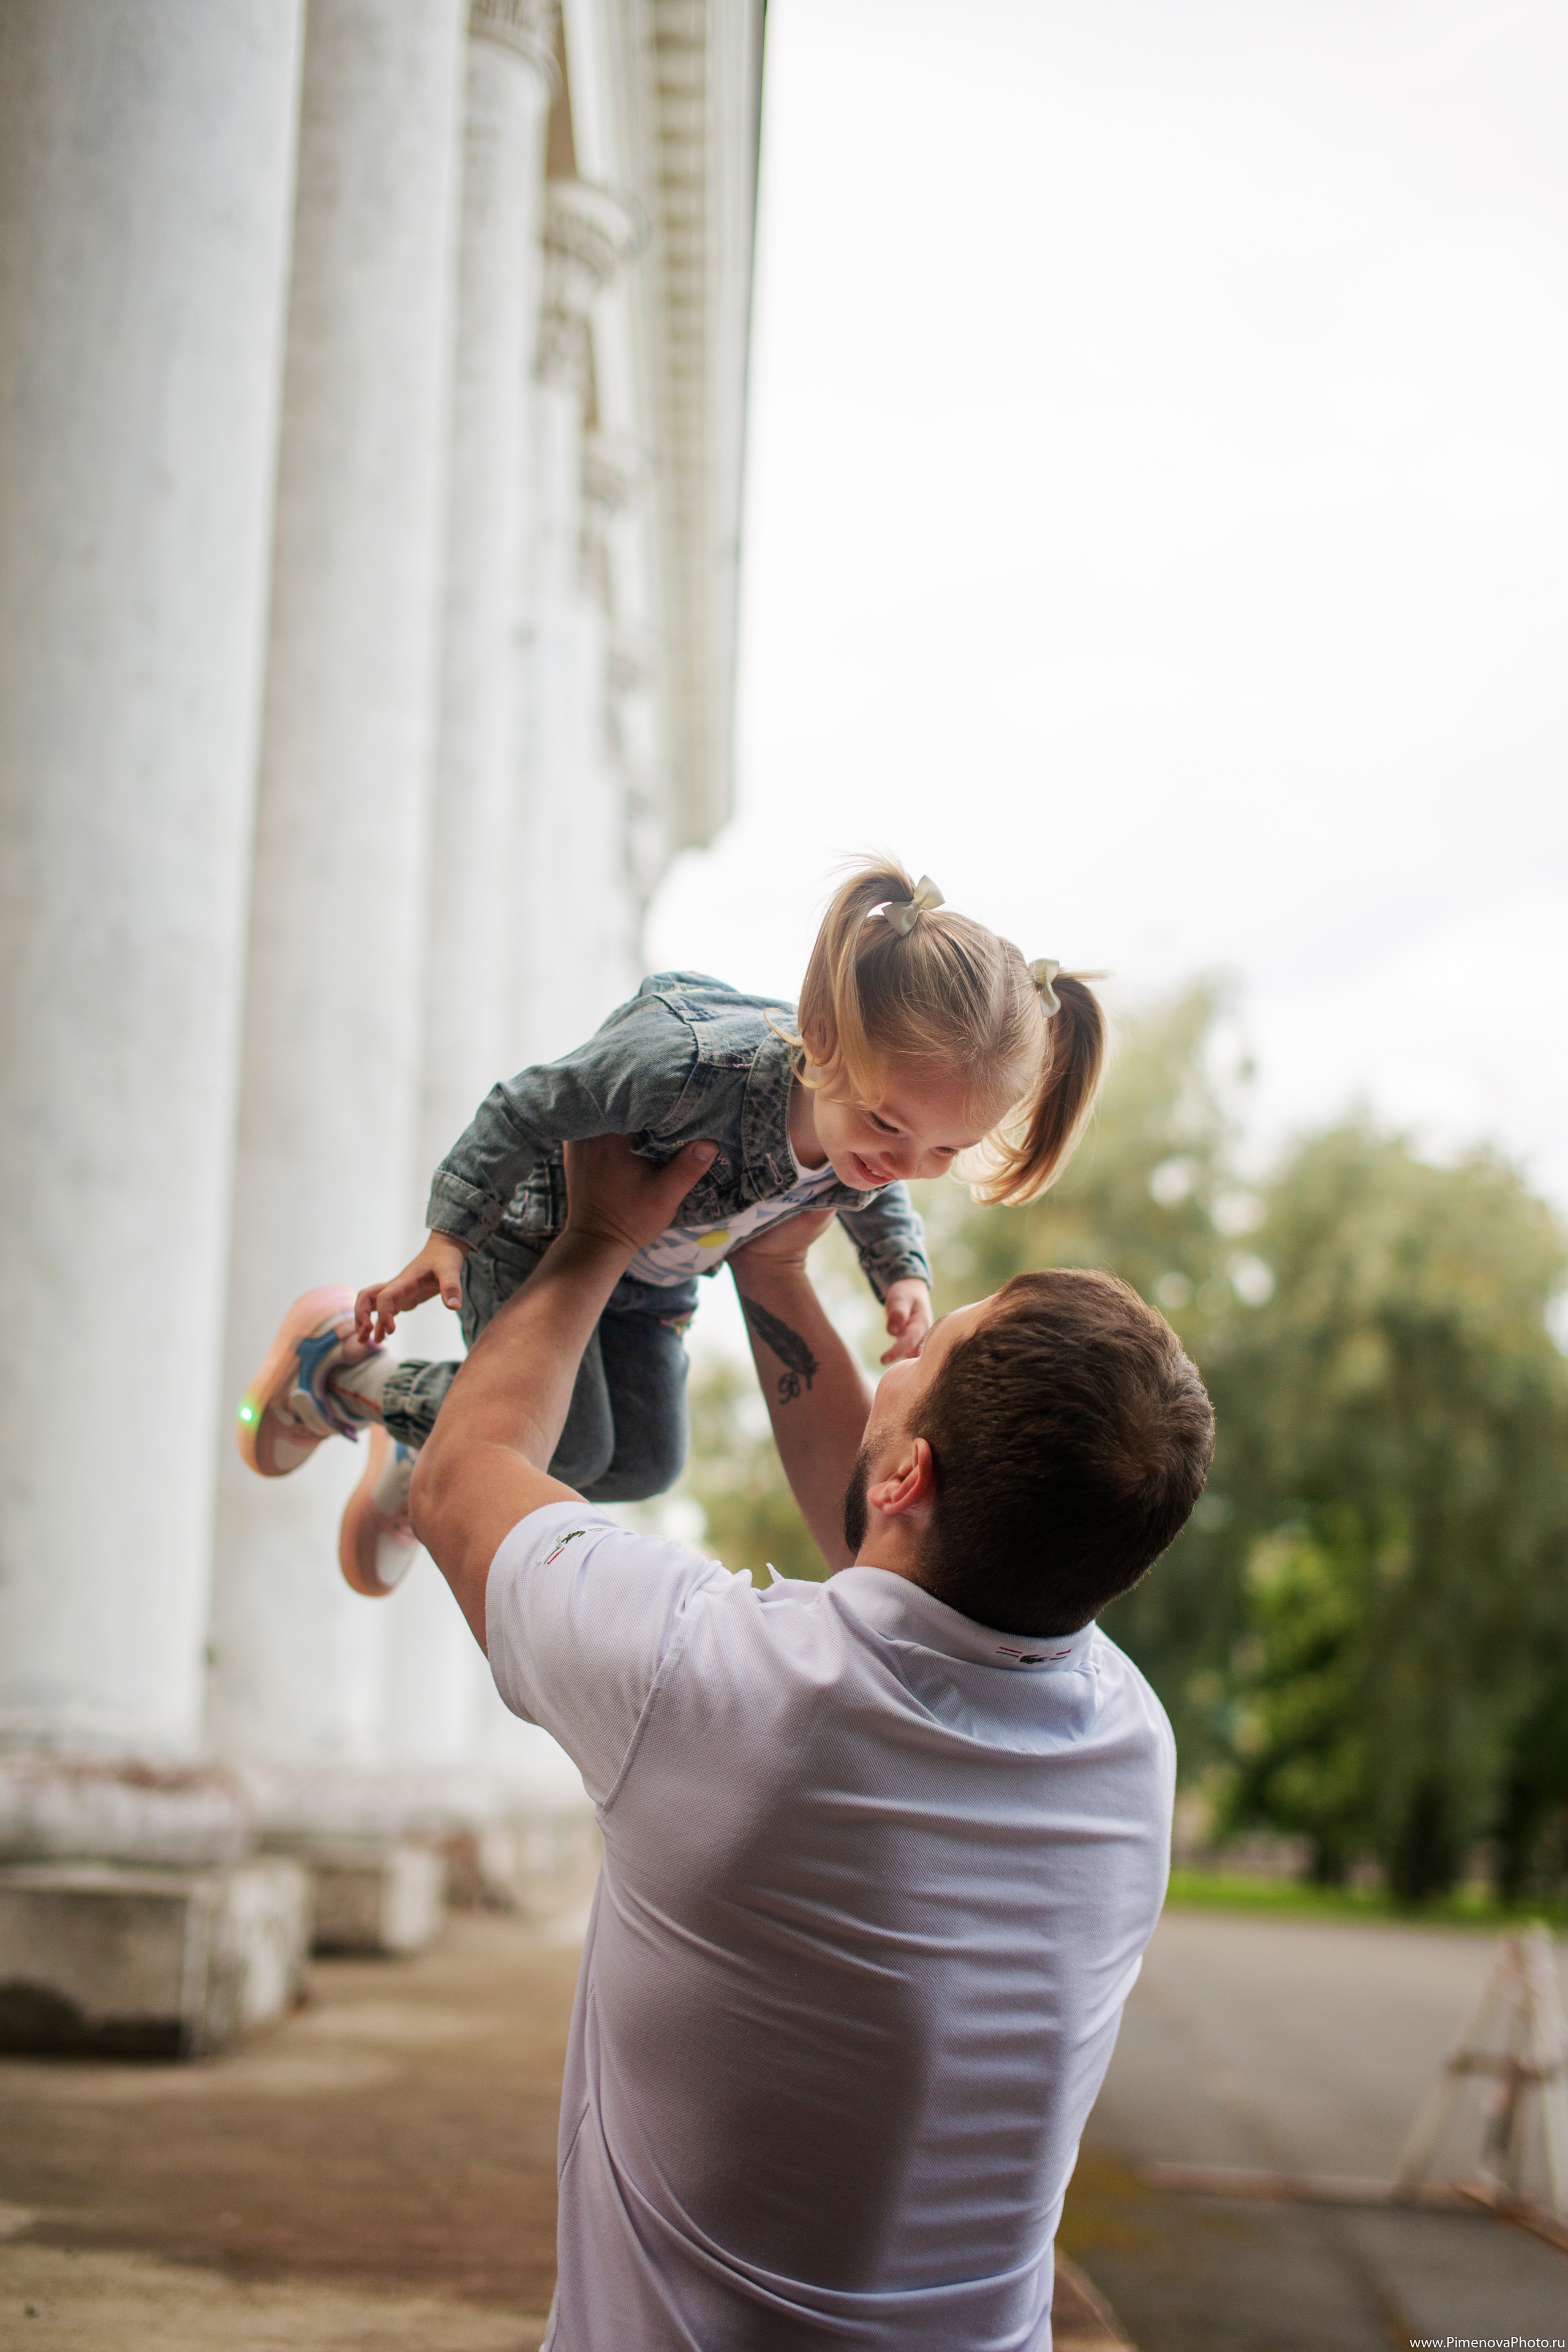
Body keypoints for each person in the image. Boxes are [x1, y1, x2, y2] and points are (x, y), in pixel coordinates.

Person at [409, 1127, 1214, 2352]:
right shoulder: (1127, 1751)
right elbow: (922, 1563)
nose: (896, 1352)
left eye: (920, 1353)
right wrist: (772, 1275)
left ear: (907, 1479)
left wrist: (599, 1238)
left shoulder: (706, 1682)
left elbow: (462, 1478)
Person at [235, 861, 1104, 1596]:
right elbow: (527, 1105)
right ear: (826, 1037)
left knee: (646, 1462)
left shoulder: (870, 1140)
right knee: (563, 1447)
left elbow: (875, 1192)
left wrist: (901, 1277)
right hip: (540, 1240)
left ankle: (417, 1435)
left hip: (651, 1287)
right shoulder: (686, 1067)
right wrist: (449, 1233)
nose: (905, 1161)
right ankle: (350, 1376)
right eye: (887, 1124)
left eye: (944, 1149)